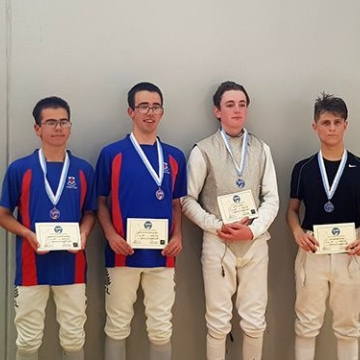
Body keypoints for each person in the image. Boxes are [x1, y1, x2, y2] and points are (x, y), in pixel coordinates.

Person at [181, 81, 279, 360]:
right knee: (217, 320)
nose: (237, 110)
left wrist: (253, 231)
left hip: (254, 244)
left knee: (254, 320)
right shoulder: (203, 150)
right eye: (230, 104)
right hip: (218, 243)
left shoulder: (262, 149)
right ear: (217, 111)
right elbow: (187, 199)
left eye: (242, 104)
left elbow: (272, 197)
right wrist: (216, 226)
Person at [95, 82, 187, 360]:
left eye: (155, 106)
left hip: (163, 257)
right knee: (117, 326)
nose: (150, 112)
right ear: (130, 111)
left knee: (161, 328)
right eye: (143, 106)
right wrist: (111, 236)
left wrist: (178, 236)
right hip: (122, 254)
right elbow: (100, 202)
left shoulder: (174, 156)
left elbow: (176, 202)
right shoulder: (112, 154)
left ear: (162, 112)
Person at [0, 96, 97, 360]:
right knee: (29, 340)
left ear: (70, 126)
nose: (58, 128)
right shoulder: (20, 169)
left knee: (74, 338)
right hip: (32, 265)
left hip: (73, 266)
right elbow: (4, 214)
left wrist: (85, 232)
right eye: (51, 122)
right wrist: (26, 234)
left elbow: (90, 213)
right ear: (37, 128)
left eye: (63, 121)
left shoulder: (83, 170)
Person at [286, 93, 360, 360]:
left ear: (346, 125)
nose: (331, 128)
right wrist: (296, 232)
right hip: (312, 249)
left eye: (337, 122)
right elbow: (292, 211)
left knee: (349, 327)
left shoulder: (358, 167)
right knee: (306, 325)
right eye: (325, 122)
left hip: (350, 253)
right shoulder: (303, 168)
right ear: (315, 126)